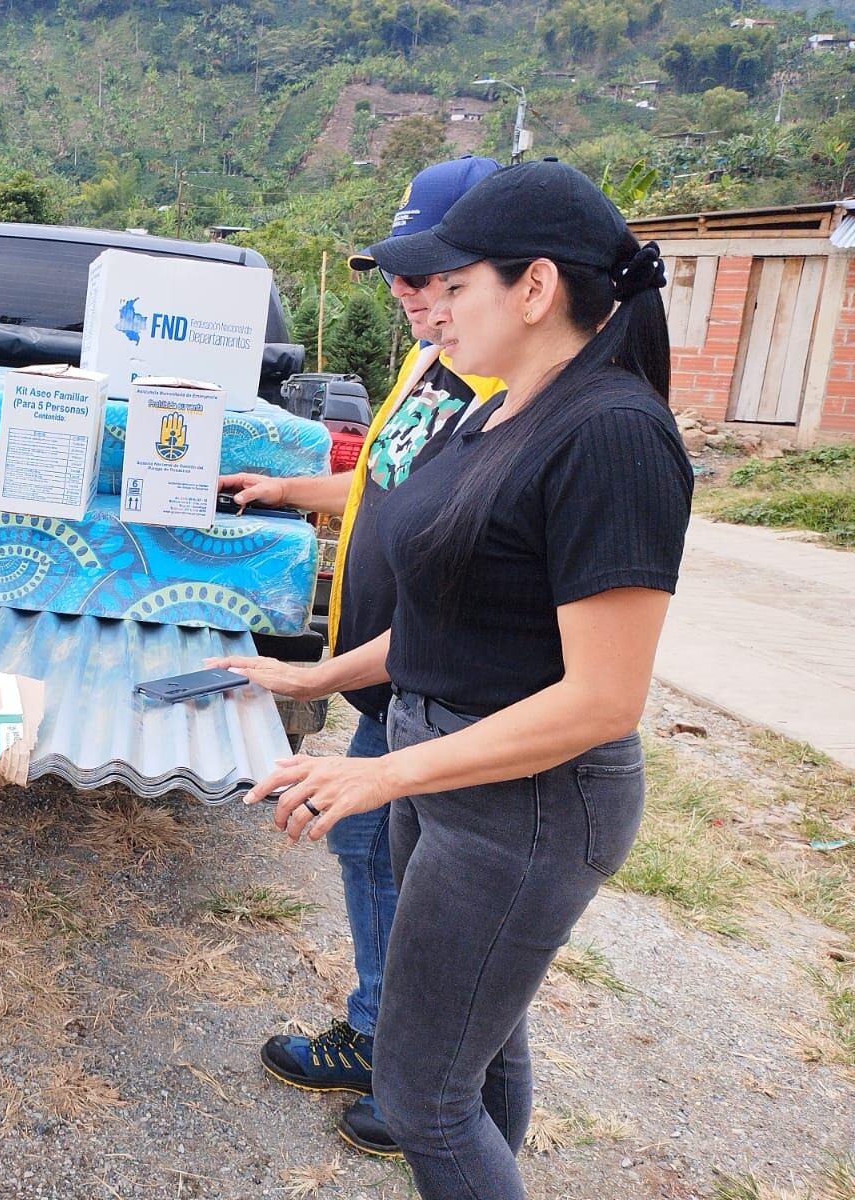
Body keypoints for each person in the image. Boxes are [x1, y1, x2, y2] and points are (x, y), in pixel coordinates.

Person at [215, 160, 691, 1197]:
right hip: (445, 766)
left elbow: (602, 699)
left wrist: (383, 775)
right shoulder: (494, 411)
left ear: (533, 288)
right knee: (479, 1057)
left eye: (455, 286)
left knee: (422, 1088)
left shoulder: (611, 434)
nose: (430, 312)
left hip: (527, 803)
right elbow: (442, 620)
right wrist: (313, 681)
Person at [216, 155, 502, 1158]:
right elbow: (383, 486)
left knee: (411, 872)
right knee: (372, 850)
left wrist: (317, 675)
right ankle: (386, 1032)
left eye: (431, 276)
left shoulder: (510, 383)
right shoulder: (431, 364)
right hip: (384, 670)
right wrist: (285, 491)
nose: (406, 292)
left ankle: (403, 1060)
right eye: (401, 272)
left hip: (430, 680)